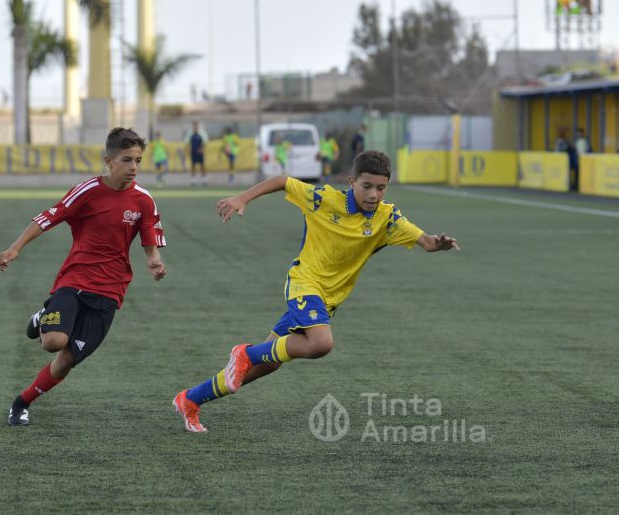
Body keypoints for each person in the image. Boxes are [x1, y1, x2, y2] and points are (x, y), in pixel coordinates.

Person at [172, 150, 459, 433]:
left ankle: (191, 399)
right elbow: (284, 181)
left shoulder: (388, 218)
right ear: (351, 182)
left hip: (327, 300)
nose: (373, 194)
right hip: (304, 283)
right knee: (321, 344)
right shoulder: (324, 199)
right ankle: (243, 352)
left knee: (267, 364)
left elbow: (427, 242)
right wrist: (242, 197)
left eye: (381, 188)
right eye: (367, 186)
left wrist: (439, 242)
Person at [0, 128, 167, 427]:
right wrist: (15, 248)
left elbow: (149, 233)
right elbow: (48, 217)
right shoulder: (87, 191)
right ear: (108, 161)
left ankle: (22, 402)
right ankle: (44, 318)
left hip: (111, 290)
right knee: (53, 342)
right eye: (127, 160)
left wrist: (154, 260)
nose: (134, 168)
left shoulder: (143, 200)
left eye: (138, 160)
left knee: (66, 361)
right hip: (75, 278)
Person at [184, 121, 209, 186]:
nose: (195, 127)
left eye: (196, 125)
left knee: (202, 165)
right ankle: (193, 179)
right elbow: (187, 143)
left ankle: (204, 178)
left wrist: (201, 149)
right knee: (193, 165)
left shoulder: (202, 133)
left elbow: (205, 143)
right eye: (194, 125)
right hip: (193, 152)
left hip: (200, 153)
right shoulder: (190, 133)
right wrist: (187, 150)